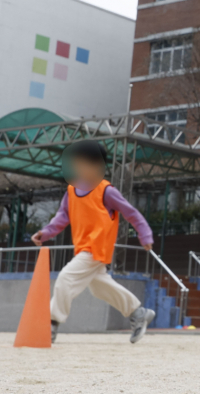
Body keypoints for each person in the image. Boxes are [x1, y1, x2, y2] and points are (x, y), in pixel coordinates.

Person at [32, 141, 157, 344]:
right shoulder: (71, 191)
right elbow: (62, 217)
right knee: (99, 287)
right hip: (83, 248)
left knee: (66, 278)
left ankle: (51, 322)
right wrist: (45, 233)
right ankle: (138, 313)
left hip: (97, 247)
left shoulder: (105, 190)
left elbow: (130, 213)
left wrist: (145, 235)